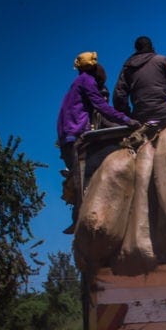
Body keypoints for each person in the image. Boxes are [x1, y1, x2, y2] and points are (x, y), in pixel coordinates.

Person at [56, 51, 138, 233]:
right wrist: (127, 120)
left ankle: (79, 216)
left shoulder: (76, 84)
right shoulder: (87, 82)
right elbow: (101, 107)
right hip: (75, 133)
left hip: (67, 135)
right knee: (85, 177)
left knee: (79, 178)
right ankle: (82, 217)